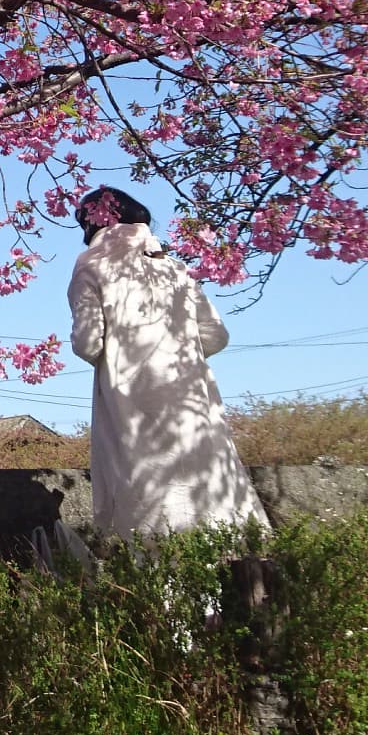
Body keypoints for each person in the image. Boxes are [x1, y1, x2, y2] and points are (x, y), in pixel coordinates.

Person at [68, 188, 268, 540]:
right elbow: (216, 335)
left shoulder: (90, 263)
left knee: (146, 501)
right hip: (190, 396)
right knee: (209, 491)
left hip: (129, 401)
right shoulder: (174, 267)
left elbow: (88, 343)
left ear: (90, 223)